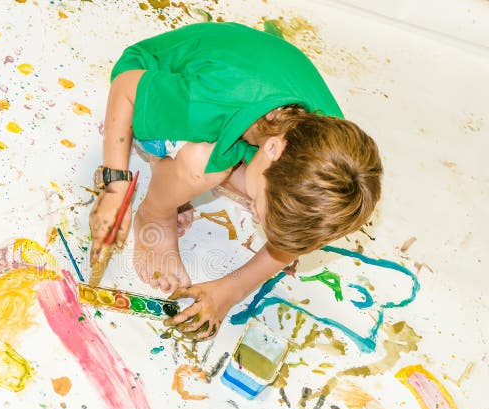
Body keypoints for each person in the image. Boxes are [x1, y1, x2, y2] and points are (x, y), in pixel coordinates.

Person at [88, 22, 382, 339]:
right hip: (159, 83)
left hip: (250, 108)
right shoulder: (213, 101)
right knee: (203, 166)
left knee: (289, 213)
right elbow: (125, 88)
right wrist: (115, 185)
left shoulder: (328, 144)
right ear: (271, 148)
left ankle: (175, 177)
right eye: (257, 206)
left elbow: (293, 237)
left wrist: (230, 290)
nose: (253, 214)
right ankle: (157, 207)